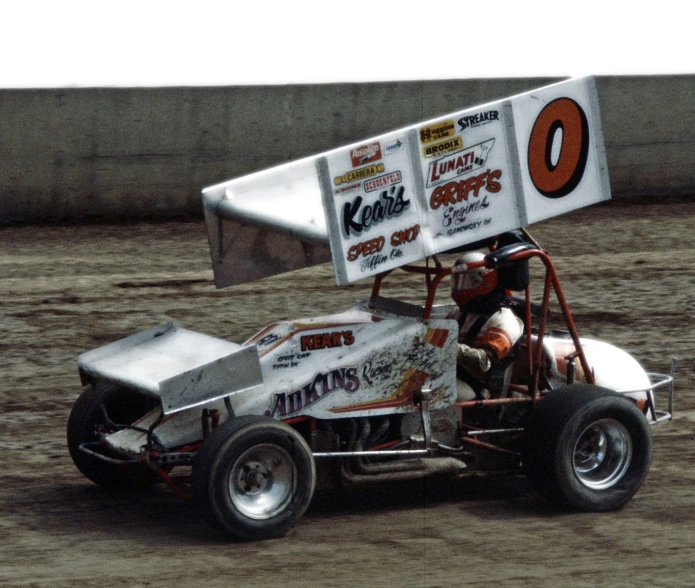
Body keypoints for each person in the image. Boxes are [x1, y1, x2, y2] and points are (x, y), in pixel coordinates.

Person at [450, 251, 524, 401]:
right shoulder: (458, 314)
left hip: (480, 389)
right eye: (457, 281)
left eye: (464, 282)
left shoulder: (504, 320)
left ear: (484, 282)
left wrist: (447, 346)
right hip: (450, 375)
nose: (459, 288)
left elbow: (484, 362)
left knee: (421, 391)